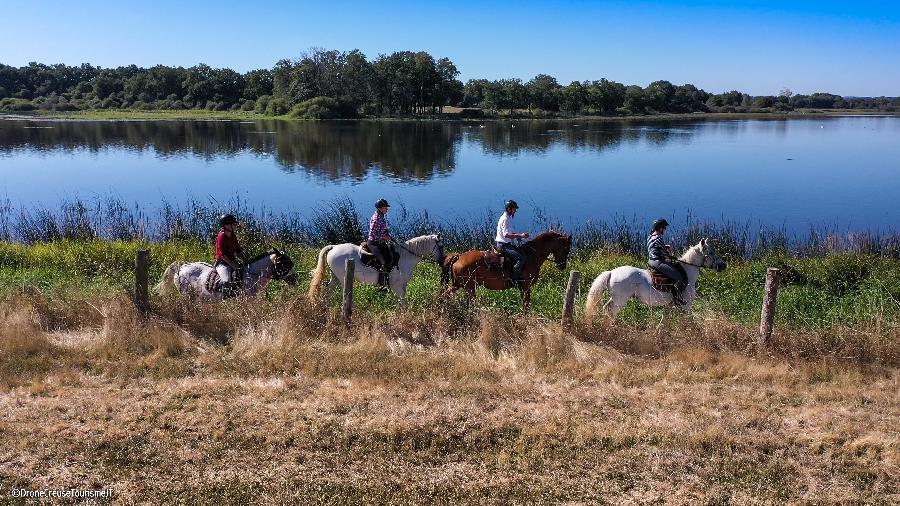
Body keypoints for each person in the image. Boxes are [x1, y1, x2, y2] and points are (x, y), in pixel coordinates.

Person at [647, 218, 687, 305]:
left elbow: (655, 248)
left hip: (650, 261)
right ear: (660, 228)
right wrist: (670, 254)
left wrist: (665, 246)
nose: (665, 229)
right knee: (679, 278)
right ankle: (677, 299)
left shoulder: (650, 237)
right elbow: (665, 253)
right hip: (658, 262)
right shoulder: (658, 238)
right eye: (664, 228)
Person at [494, 200, 530, 287]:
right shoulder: (506, 219)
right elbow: (506, 235)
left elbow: (509, 233)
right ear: (509, 209)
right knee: (521, 259)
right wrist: (520, 236)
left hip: (505, 244)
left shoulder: (507, 217)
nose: (515, 211)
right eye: (514, 209)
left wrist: (518, 236)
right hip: (503, 246)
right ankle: (514, 280)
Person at [215, 214, 244, 296]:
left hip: (233, 261)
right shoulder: (221, 236)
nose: (235, 226)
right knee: (226, 281)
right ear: (227, 226)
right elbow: (222, 255)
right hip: (222, 263)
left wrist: (247, 261)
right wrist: (232, 265)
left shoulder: (233, 235)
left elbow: (238, 251)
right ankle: (224, 299)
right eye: (234, 224)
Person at [368, 199, 393, 286]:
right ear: (380, 209)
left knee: (391, 256)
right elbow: (372, 234)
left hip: (381, 242)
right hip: (373, 243)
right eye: (385, 207)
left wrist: (387, 234)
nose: (387, 209)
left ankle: (389, 279)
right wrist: (384, 237)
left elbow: (383, 229)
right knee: (384, 263)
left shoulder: (381, 216)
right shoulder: (376, 219)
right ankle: (380, 283)